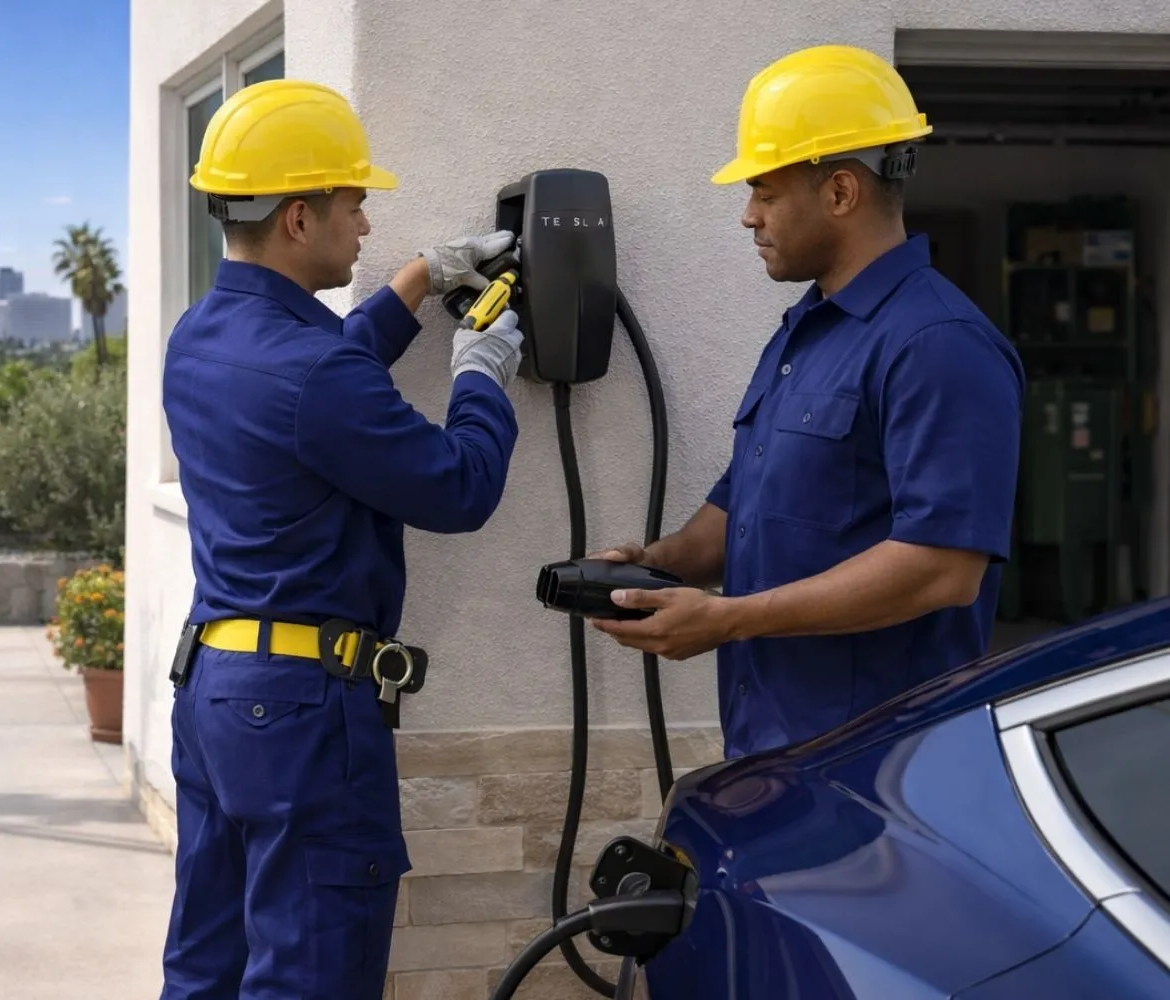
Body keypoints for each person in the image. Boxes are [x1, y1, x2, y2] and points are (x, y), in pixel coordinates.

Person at [158, 78, 525, 998]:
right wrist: (480, 372)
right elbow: (457, 487)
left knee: (208, 965)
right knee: (308, 976)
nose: (363, 225)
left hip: (215, 690)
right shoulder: (315, 369)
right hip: (302, 717)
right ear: (296, 217)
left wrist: (417, 282)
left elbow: (318, 392)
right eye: (353, 203)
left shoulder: (198, 337)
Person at [589, 44, 1026, 759]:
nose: (748, 216)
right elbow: (743, 509)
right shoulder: (810, 331)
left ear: (841, 193)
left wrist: (728, 620)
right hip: (773, 750)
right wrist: (655, 568)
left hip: (882, 767)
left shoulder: (938, 345)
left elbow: (944, 568)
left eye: (765, 190)